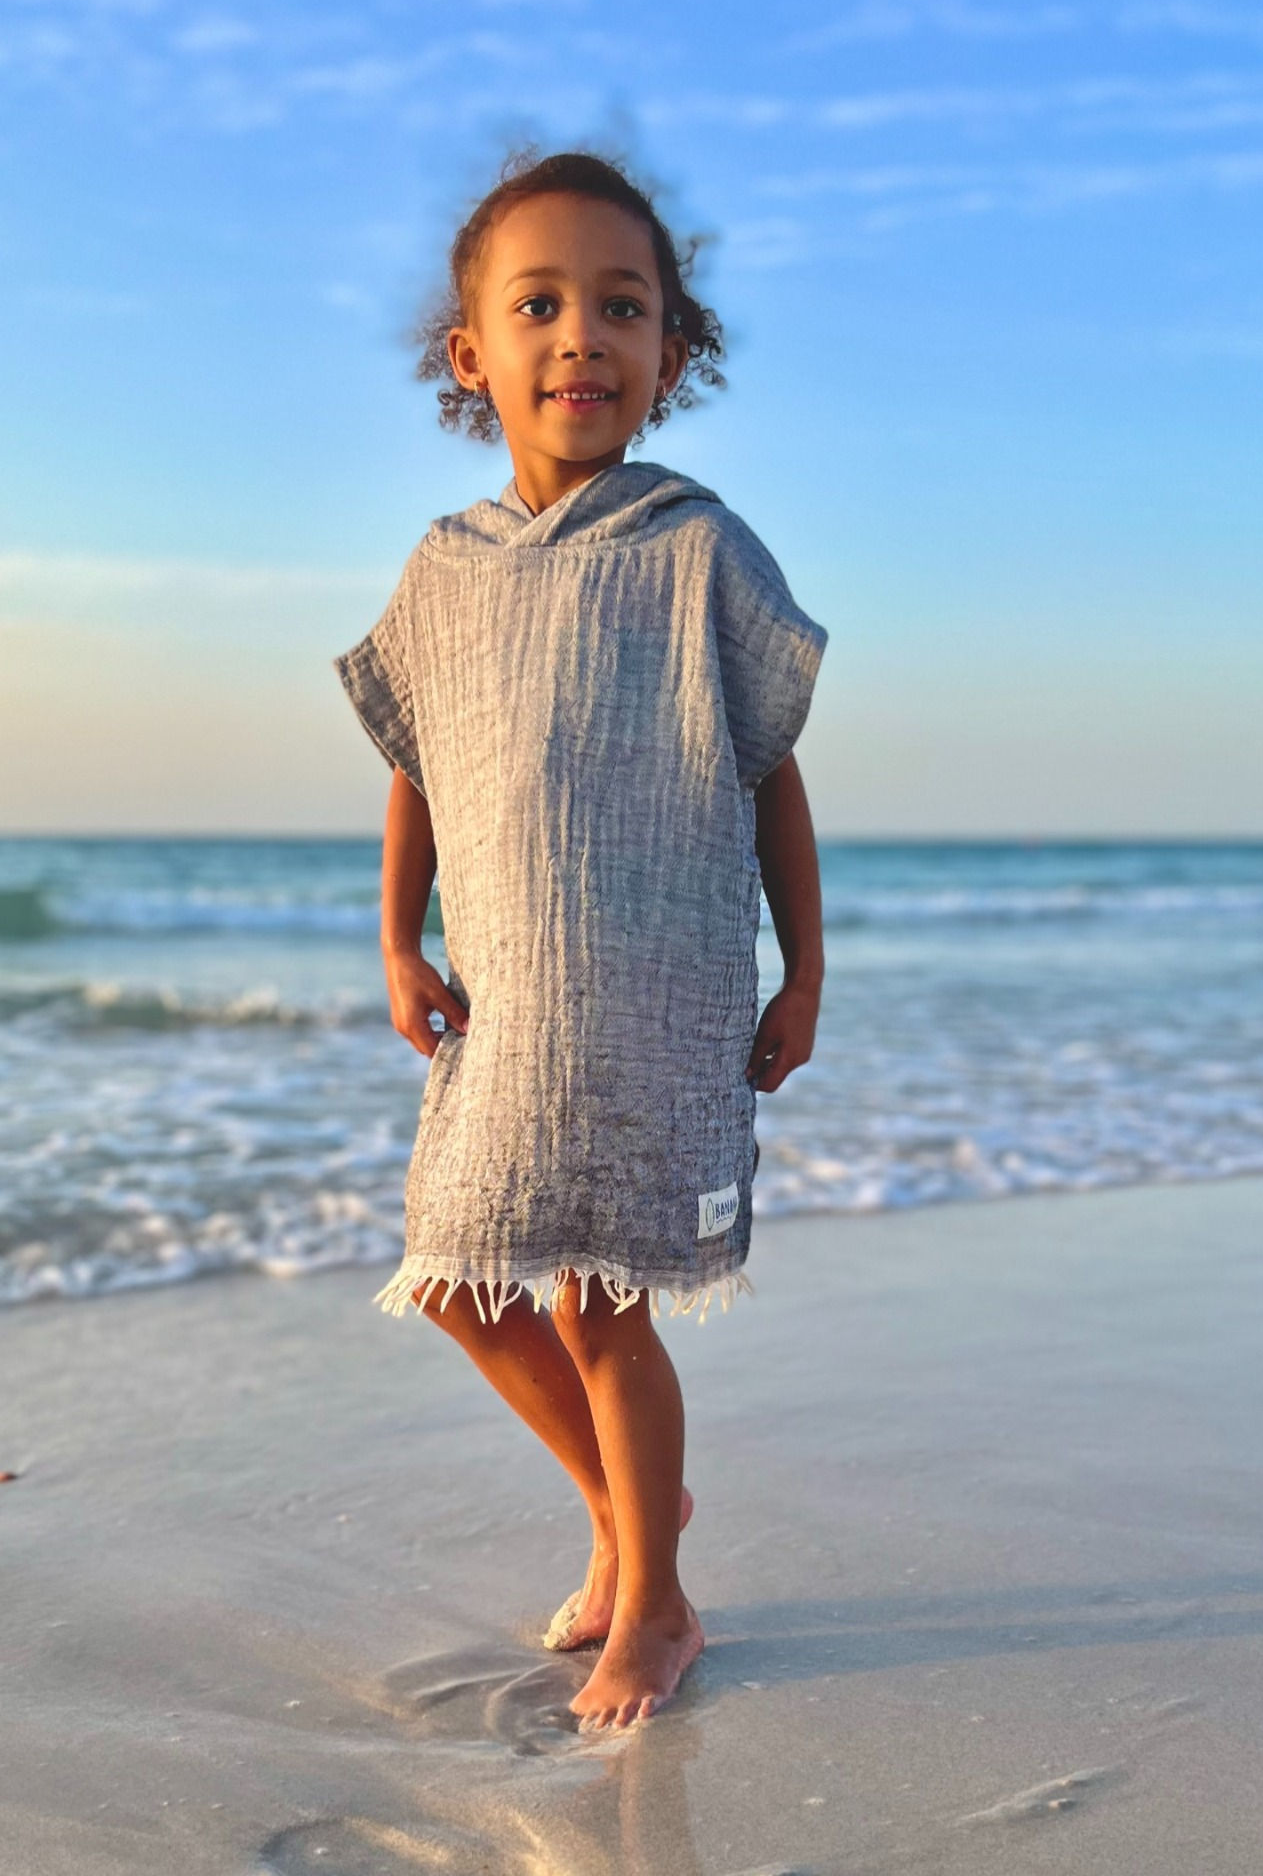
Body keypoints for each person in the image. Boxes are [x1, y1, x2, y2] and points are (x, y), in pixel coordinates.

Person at [334, 150, 826, 1732]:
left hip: (649, 996)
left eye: (623, 307)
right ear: (471, 353)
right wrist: (399, 944)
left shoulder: (697, 551)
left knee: (599, 1299)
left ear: (671, 354)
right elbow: (418, 760)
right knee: (467, 1282)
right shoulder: (444, 571)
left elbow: (769, 772)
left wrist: (805, 967)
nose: (582, 338)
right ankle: (633, 1514)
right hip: (504, 1005)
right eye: (539, 304)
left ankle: (660, 1610)